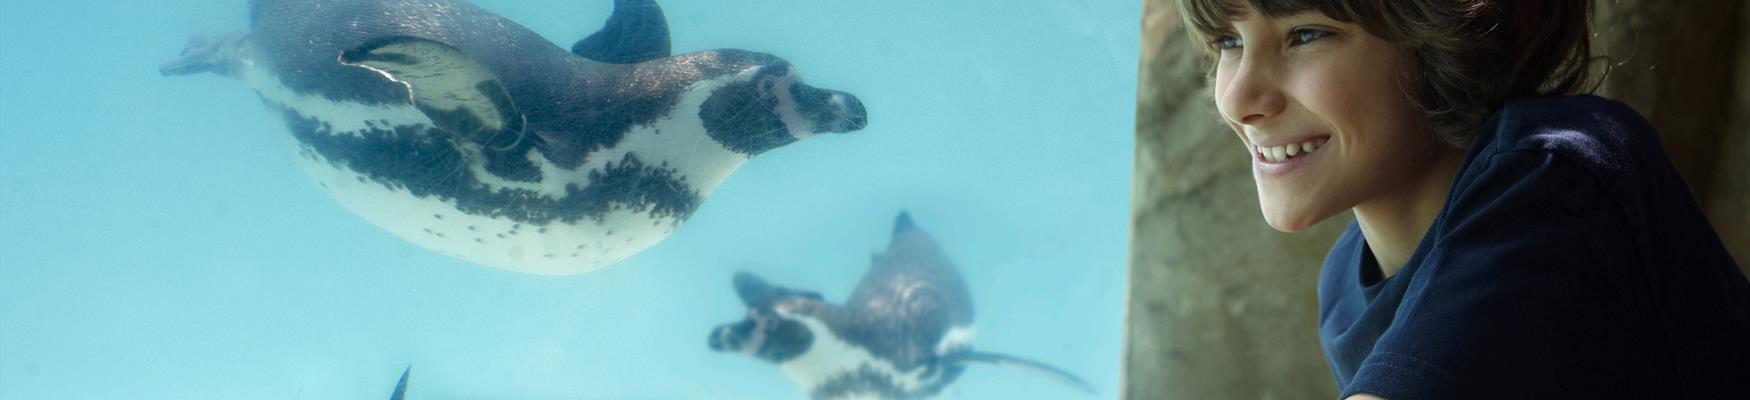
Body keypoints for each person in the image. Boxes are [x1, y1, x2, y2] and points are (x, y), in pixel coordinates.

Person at [1174, 0, 1750, 398]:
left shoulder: (1557, 171)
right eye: (1228, 40)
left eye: (1304, 34)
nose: (1239, 97)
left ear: (1437, 34)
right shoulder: (1347, 282)